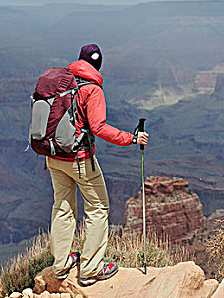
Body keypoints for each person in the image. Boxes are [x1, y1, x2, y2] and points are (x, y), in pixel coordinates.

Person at [46, 43, 149, 286]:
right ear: (98, 65)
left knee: (62, 206)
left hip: (53, 156)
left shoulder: (61, 82)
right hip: (80, 160)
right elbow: (99, 127)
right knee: (98, 208)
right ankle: (90, 269)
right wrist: (131, 138)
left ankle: (60, 266)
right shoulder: (92, 89)